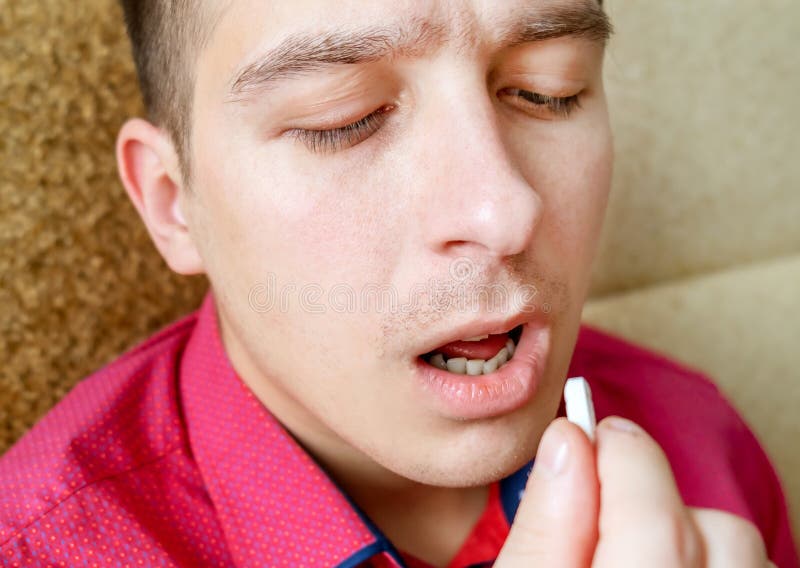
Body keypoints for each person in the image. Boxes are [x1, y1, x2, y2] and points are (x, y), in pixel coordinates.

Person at [0, 0, 796, 566]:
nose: (504, 208)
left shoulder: (701, 446)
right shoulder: (41, 549)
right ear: (174, 206)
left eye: (547, 91)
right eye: (343, 118)